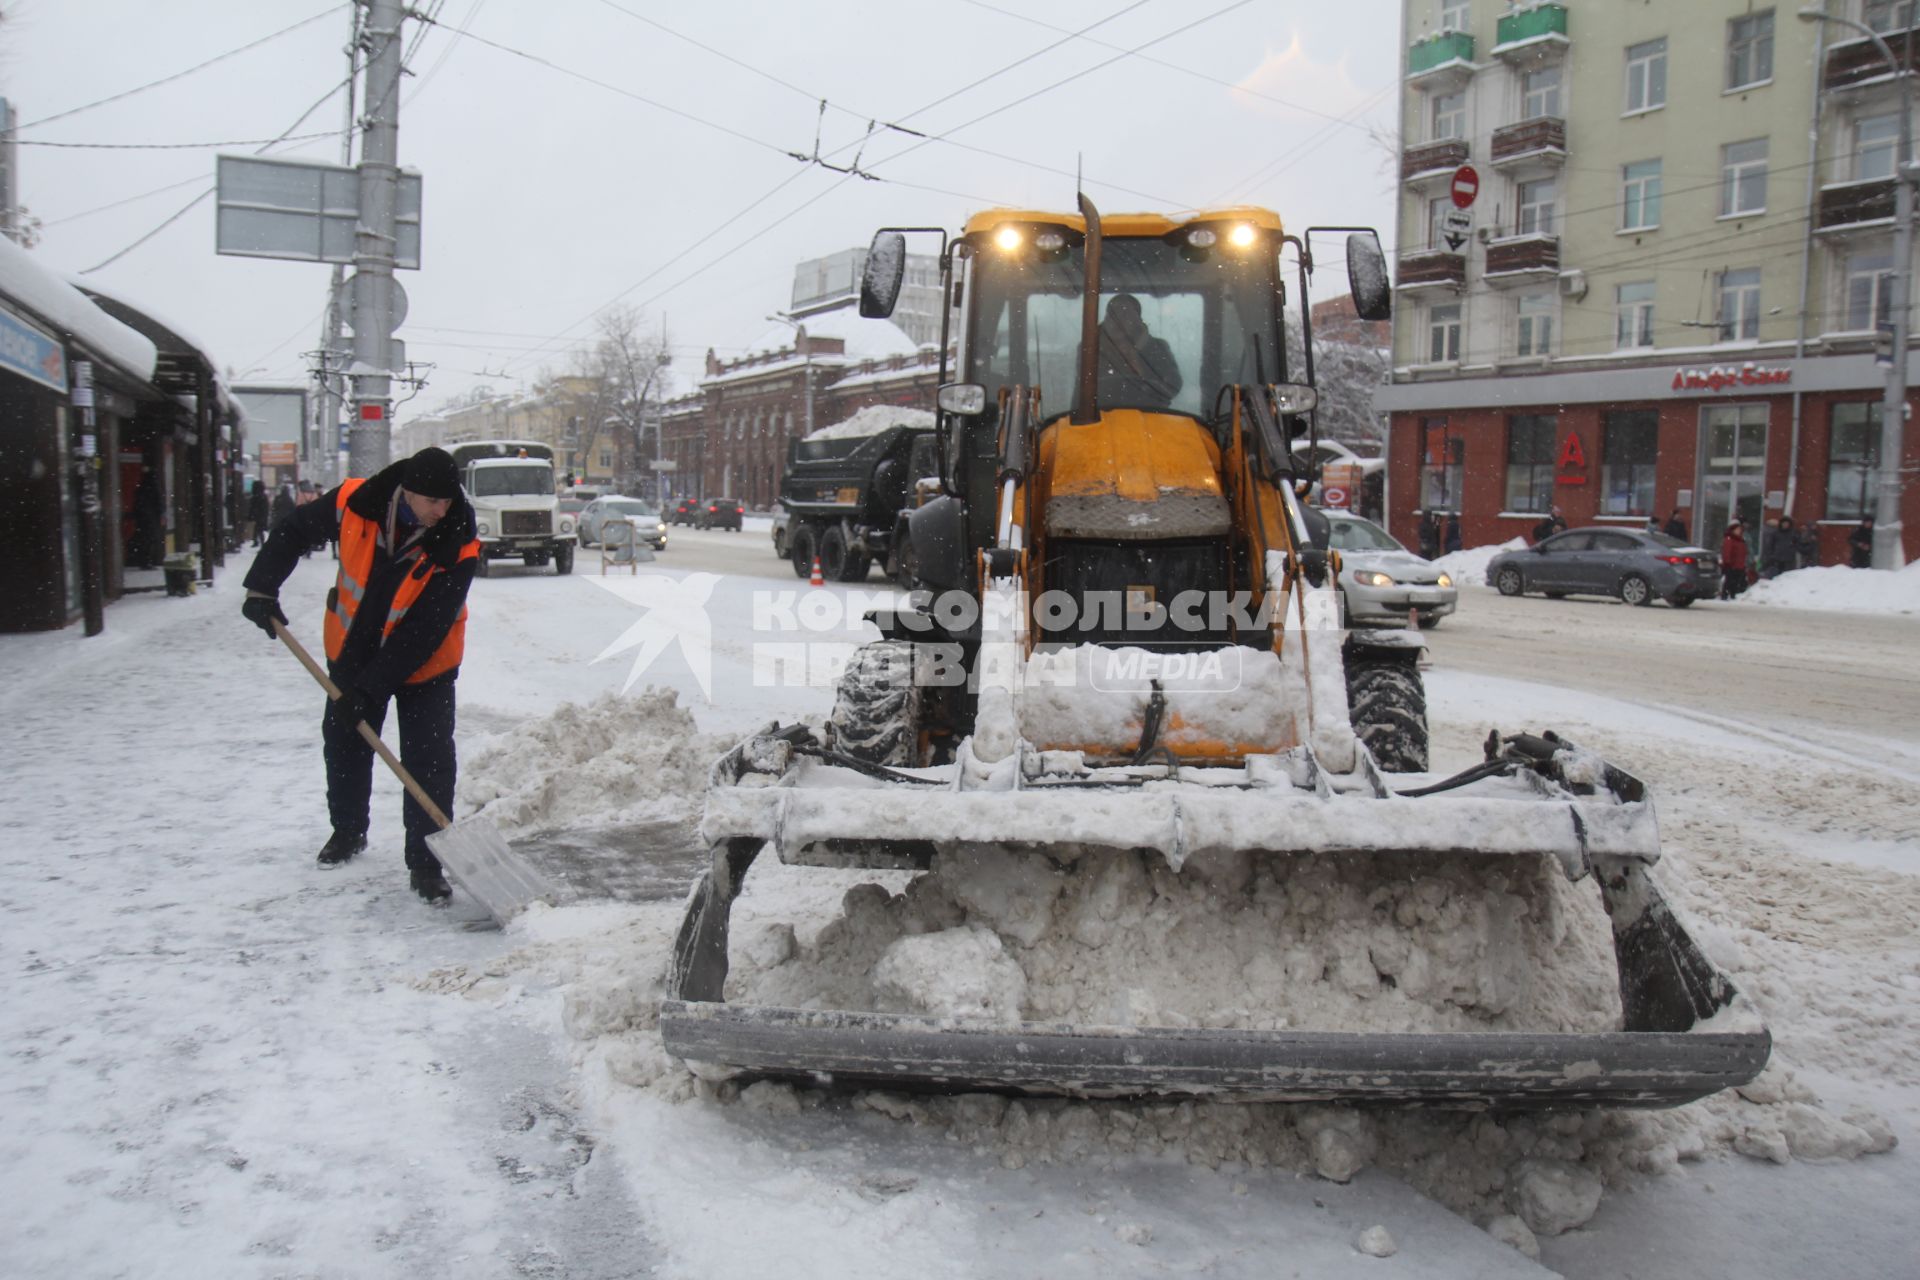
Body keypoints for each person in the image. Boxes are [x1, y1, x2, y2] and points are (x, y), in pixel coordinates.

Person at [239, 447, 480, 902]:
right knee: (345, 741)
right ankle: (348, 831)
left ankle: (427, 864)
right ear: (407, 492)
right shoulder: (355, 500)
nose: (442, 511)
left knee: (429, 759)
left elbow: (424, 630)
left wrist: (370, 690)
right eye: (433, 502)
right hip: (354, 645)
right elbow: (293, 531)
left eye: (449, 501)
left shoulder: (459, 539)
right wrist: (262, 586)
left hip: (427, 663)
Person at [1096, 293, 1182, 408]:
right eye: (1113, 315)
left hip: (1153, 418)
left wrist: (1139, 352)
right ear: (1105, 319)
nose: (1118, 321)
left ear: (1137, 321)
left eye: (1126, 315)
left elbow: (1172, 388)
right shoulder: (1091, 349)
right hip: (1101, 419)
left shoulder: (1158, 348)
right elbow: (1081, 396)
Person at [1719, 520, 1750, 599]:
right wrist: (1727, 562)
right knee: (1729, 581)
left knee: (1736, 581)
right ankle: (1725, 595)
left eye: (1740, 529)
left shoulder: (1740, 540)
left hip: (1739, 565)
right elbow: (1726, 552)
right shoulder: (1729, 539)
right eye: (1737, 529)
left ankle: (1733, 594)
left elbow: (1744, 553)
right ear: (1733, 530)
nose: (1739, 531)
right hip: (1731, 565)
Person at [247, 480, 271, 549]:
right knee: (259, 530)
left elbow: (253, 506)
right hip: (261, 516)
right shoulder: (263, 496)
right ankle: (259, 543)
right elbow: (265, 507)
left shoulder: (256, 496)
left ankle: (259, 543)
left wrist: (251, 515)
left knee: (258, 530)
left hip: (258, 515)